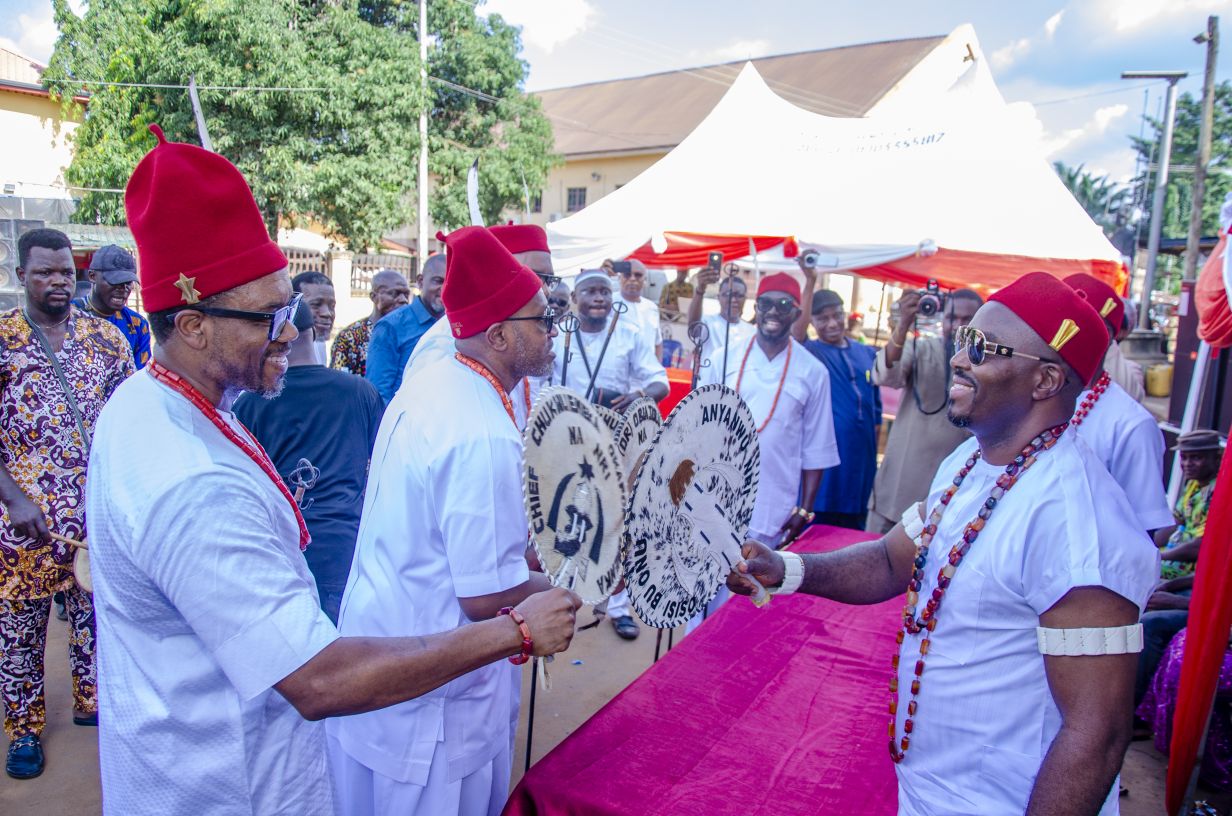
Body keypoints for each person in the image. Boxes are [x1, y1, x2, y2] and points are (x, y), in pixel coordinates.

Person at [86, 126, 579, 815]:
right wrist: (517, 631)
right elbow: (317, 682)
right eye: (271, 315)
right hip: (230, 786)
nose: (294, 331)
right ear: (193, 325)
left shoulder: (155, 401)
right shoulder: (192, 485)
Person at [729, 272, 1159, 816]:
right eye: (962, 340)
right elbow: (891, 561)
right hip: (927, 789)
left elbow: (1095, 733)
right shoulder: (971, 461)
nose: (958, 359)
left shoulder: (1080, 527)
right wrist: (787, 569)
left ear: (1045, 380)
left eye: (981, 348)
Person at [328, 226, 577, 816]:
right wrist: (575, 585)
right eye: (541, 319)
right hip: (435, 718)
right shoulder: (478, 429)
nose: (552, 330)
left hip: (394, 659)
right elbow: (486, 597)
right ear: (499, 335)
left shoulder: (444, 380)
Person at [1, 228, 133, 779]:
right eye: (44, 272)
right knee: (20, 628)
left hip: (92, 517)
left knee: (94, 616)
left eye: (65, 272)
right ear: (21, 276)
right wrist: (14, 499)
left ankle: (91, 699)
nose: (57, 281)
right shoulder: (4, 339)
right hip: (21, 525)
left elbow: (130, 421)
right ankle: (24, 729)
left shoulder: (107, 339)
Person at [235, 300, 385, 623]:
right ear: (314, 333)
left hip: (278, 548)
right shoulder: (360, 392)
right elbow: (384, 470)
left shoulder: (250, 403)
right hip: (345, 546)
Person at [554, 267, 669, 640]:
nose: (599, 298)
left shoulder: (629, 334)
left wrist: (639, 395)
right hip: (568, 442)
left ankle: (618, 607)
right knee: (565, 523)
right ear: (575, 298)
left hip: (615, 446)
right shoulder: (559, 334)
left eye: (604, 291)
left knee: (615, 525)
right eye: (590, 291)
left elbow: (660, 382)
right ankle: (556, 608)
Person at [702, 272, 838, 549]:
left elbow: (817, 447)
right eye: (766, 303)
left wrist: (804, 510)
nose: (773, 311)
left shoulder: (814, 371)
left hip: (771, 507)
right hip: (713, 497)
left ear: (797, 313)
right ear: (756, 308)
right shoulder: (723, 357)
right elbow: (697, 425)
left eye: (784, 305)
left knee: (752, 576)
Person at [403, 224, 560, 427]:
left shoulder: (524, 332)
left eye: (550, 279)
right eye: (535, 275)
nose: (545, 290)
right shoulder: (444, 345)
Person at [865, 288, 983, 535]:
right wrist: (903, 325)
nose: (958, 326)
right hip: (896, 495)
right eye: (952, 318)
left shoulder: (988, 366)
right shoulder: (921, 348)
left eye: (968, 320)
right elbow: (884, 376)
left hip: (950, 501)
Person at [1063, 273, 1172, 535]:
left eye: (1084, 324)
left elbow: (1144, 529)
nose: (1065, 335)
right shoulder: (1023, 400)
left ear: (1110, 336)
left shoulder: (1133, 425)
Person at [1134, 429, 1223, 707]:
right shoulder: (1195, 486)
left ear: (1217, 458)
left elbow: (1204, 549)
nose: (1187, 464)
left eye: (1196, 458)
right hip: (1181, 579)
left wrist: (1160, 562)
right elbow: (1173, 524)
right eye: (1184, 458)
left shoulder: (1221, 493)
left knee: (1148, 619)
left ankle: (1134, 707)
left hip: (1196, 583)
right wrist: (1143, 546)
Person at [792, 287, 880, 530]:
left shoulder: (866, 353)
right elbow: (796, 333)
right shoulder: (809, 352)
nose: (832, 323)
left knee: (853, 536)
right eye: (822, 318)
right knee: (815, 534)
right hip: (826, 470)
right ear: (812, 321)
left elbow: (876, 413)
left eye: (837, 315)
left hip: (860, 466)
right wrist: (810, 280)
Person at [365, 255, 444, 402]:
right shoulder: (390, 327)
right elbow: (378, 392)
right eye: (438, 281)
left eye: (450, 282)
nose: (444, 288)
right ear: (420, 281)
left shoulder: (454, 325)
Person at [72, 244, 152, 369]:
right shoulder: (68, 315)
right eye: (115, 281)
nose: (123, 289)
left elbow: (140, 374)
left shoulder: (137, 325)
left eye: (128, 282)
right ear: (92, 276)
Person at [331, 270, 412, 377]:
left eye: (406, 294)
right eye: (394, 293)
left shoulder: (413, 335)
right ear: (373, 296)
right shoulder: (349, 337)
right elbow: (338, 381)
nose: (403, 300)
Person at [686, 264, 753, 366]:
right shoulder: (708, 322)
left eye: (739, 296)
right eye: (728, 295)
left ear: (745, 299)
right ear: (719, 297)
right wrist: (700, 289)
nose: (733, 300)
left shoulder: (752, 332)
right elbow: (693, 325)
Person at [613, 258, 663, 360]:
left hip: (646, 368)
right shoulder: (608, 303)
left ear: (645, 280)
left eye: (638, 275)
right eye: (627, 275)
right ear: (619, 278)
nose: (632, 279)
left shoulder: (652, 308)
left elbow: (657, 343)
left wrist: (657, 367)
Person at [293, 271, 337, 365]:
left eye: (332, 306)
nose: (327, 313)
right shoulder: (280, 355)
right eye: (316, 304)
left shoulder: (319, 345)